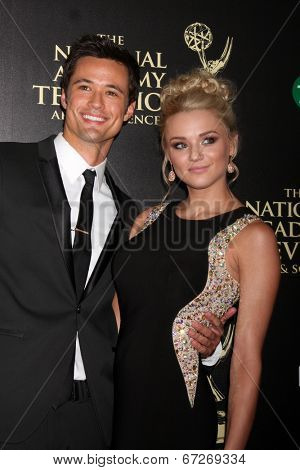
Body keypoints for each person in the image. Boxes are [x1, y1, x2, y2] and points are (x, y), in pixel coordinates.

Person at [0, 36, 226, 450]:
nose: (96, 102)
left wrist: (206, 349)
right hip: (11, 404)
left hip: (100, 415)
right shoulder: (6, 168)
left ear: (129, 110)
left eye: (112, 92)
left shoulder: (134, 218)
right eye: (85, 87)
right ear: (64, 96)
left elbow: (143, 314)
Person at [112, 69, 280, 449]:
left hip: (180, 417)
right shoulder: (145, 221)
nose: (196, 155)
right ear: (168, 155)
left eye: (208, 140)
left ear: (231, 145)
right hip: (117, 411)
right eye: (181, 145)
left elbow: (246, 360)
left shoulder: (253, 237)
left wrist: (231, 457)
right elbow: (120, 319)